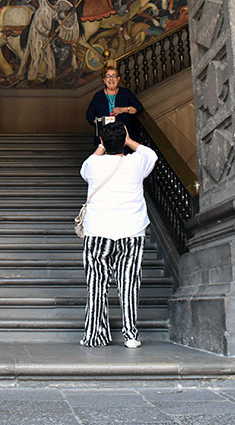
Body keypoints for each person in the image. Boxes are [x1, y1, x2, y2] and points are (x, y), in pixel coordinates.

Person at [79, 121, 157, 348]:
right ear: (124, 141)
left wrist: (103, 145)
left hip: (98, 232)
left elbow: (85, 167)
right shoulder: (137, 163)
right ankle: (130, 335)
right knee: (129, 284)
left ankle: (95, 335)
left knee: (96, 284)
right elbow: (150, 154)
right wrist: (129, 140)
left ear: (102, 141)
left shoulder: (93, 165)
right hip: (131, 231)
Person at [85, 67, 142, 146]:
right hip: (105, 140)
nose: (111, 79)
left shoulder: (126, 93)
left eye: (114, 76)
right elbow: (89, 115)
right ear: (104, 80)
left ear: (118, 79)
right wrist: (99, 121)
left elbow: (138, 108)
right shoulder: (98, 96)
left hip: (125, 139)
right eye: (108, 76)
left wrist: (123, 109)